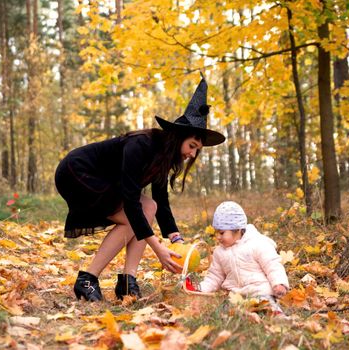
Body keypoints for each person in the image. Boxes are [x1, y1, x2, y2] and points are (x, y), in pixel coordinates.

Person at [55, 77, 226, 302]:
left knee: (150, 206)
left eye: (197, 150)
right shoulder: (141, 145)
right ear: (178, 138)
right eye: (192, 146)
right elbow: (130, 199)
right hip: (76, 172)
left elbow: (161, 202)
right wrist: (158, 248)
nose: (192, 154)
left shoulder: (163, 156)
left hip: (101, 179)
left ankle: (128, 281)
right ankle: (87, 279)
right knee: (132, 215)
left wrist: (176, 239)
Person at [193, 201, 289, 313]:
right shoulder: (219, 252)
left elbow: (272, 264)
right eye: (216, 233)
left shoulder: (257, 243)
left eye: (222, 233)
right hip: (235, 296)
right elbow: (214, 276)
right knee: (221, 312)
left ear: (237, 230)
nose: (218, 237)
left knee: (267, 308)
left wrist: (279, 283)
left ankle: (278, 317)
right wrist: (201, 288)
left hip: (259, 292)